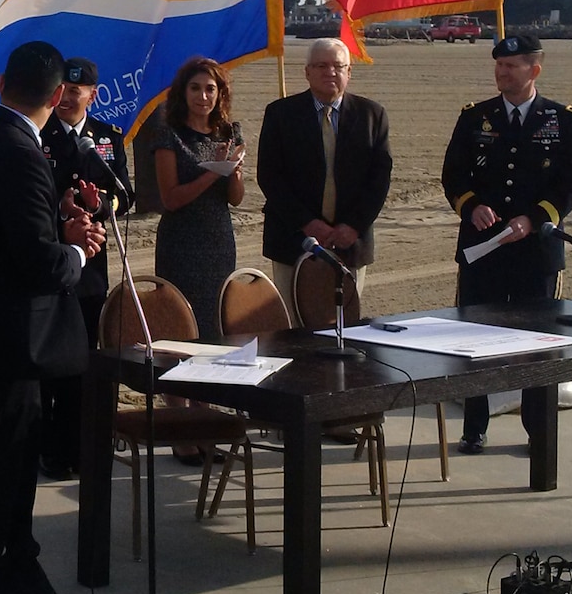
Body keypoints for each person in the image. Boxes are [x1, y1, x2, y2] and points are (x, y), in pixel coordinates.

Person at [0, 41, 105, 594]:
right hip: (3, 337)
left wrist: (57, 227)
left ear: (4, 82)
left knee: (17, 468)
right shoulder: (16, 150)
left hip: (6, 333)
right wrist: (76, 251)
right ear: (58, 94)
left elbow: (9, 231)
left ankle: (20, 569)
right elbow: (37, 260)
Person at [442, 34, 572, 455]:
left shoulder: (562, 119)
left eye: (512, 66)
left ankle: (537, 428)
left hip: (535, 253)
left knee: (535, 344)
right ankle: (474, 426)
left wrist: (537, 217)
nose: (502, 72)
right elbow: (454, 174)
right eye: (499, 66)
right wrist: (472, 207)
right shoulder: (476, 117)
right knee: (475, 340)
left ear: (534, 70)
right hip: (482, 250)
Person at [38, 56, 134, 480]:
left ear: (92, 94)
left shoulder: (107, 138)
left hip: (92, 267)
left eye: (79, 90)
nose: (70, 96)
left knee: (85, 360)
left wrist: (100, 205)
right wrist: (64, 209)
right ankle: (49, 446)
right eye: (65, 88)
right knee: (50, 361)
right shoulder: (40, 134)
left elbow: (126, 196)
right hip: (52, 260)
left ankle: (80, 442)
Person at [258, 37, 392, 326]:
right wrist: (308, 223)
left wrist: (354, 226)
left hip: (349, 242)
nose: (329, 72)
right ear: (307, 72)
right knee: (295, 328)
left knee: (345, 324)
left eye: (337, 66)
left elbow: (379, 179)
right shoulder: (281, 114)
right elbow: (270, 176)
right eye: (321, 65)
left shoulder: (372, 115)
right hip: (293, 239)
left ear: (349, 72)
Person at [152, 57, 244, 465]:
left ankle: (205, 421)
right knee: (180, 332)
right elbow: (169, 198)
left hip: (217, 238)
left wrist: (234, 171)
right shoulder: (168, 133)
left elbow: (236, 199)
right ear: (183, 92)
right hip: (182, 240)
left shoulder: (228, 132)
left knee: (212, 330)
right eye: (195, 89)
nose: (203, 96)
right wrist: (211, 173)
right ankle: (179, 427)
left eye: (210, 89)